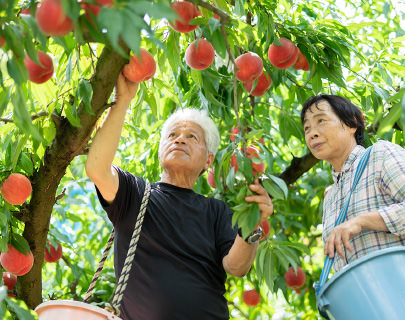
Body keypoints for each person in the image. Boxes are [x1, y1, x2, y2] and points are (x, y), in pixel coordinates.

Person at [84, 73, 273, 320]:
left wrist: (253, 225)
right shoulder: (135, 194)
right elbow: (97, 169)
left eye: (192, 136)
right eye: (172, 135)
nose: (180, 138)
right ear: (161, 150)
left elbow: (237, 267)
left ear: (209, 159)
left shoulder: (216, 211)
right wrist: (122, 101)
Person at [301, 94, 405, 319]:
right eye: (306, 128)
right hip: (366, 309)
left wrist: (360, 222)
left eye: (321, 120)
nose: (312, 132)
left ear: (351, 123)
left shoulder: (380, 155)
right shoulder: (330, 197)